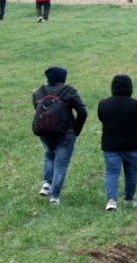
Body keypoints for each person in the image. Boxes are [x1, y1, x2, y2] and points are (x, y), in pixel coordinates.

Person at [32, 66, 88, 205]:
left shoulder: (38, 92)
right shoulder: (69, 91)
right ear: (63, 77)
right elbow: (82, 112)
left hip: (44, 131)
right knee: (61, 165)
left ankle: (46, 184)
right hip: (65, 132)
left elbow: (37, 109)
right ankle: (54, 196)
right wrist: (76, 129)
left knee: (49, 154)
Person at [98, 74, 137, 211]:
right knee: (131, 173)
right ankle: (129, 199)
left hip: (110, 145)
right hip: (132, 144)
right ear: (130, 87)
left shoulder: (104, 104)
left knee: (111, 172)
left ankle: (111, 200)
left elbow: (102, 118)